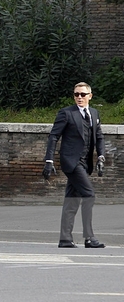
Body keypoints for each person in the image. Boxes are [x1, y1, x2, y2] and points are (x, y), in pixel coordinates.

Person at [43, 82, 106, 248]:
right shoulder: (66, 113)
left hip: (86, 163)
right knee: (89, 194)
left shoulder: (94, 113)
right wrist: (49, 160)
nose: (79, 97)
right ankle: (89, 238)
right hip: (71, 162)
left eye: (83, 94)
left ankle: (65, 239)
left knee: (72, 200)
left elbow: (99, 137)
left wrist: (101, 156)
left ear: (90, 96)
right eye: (76, 94)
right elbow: (53, 136)